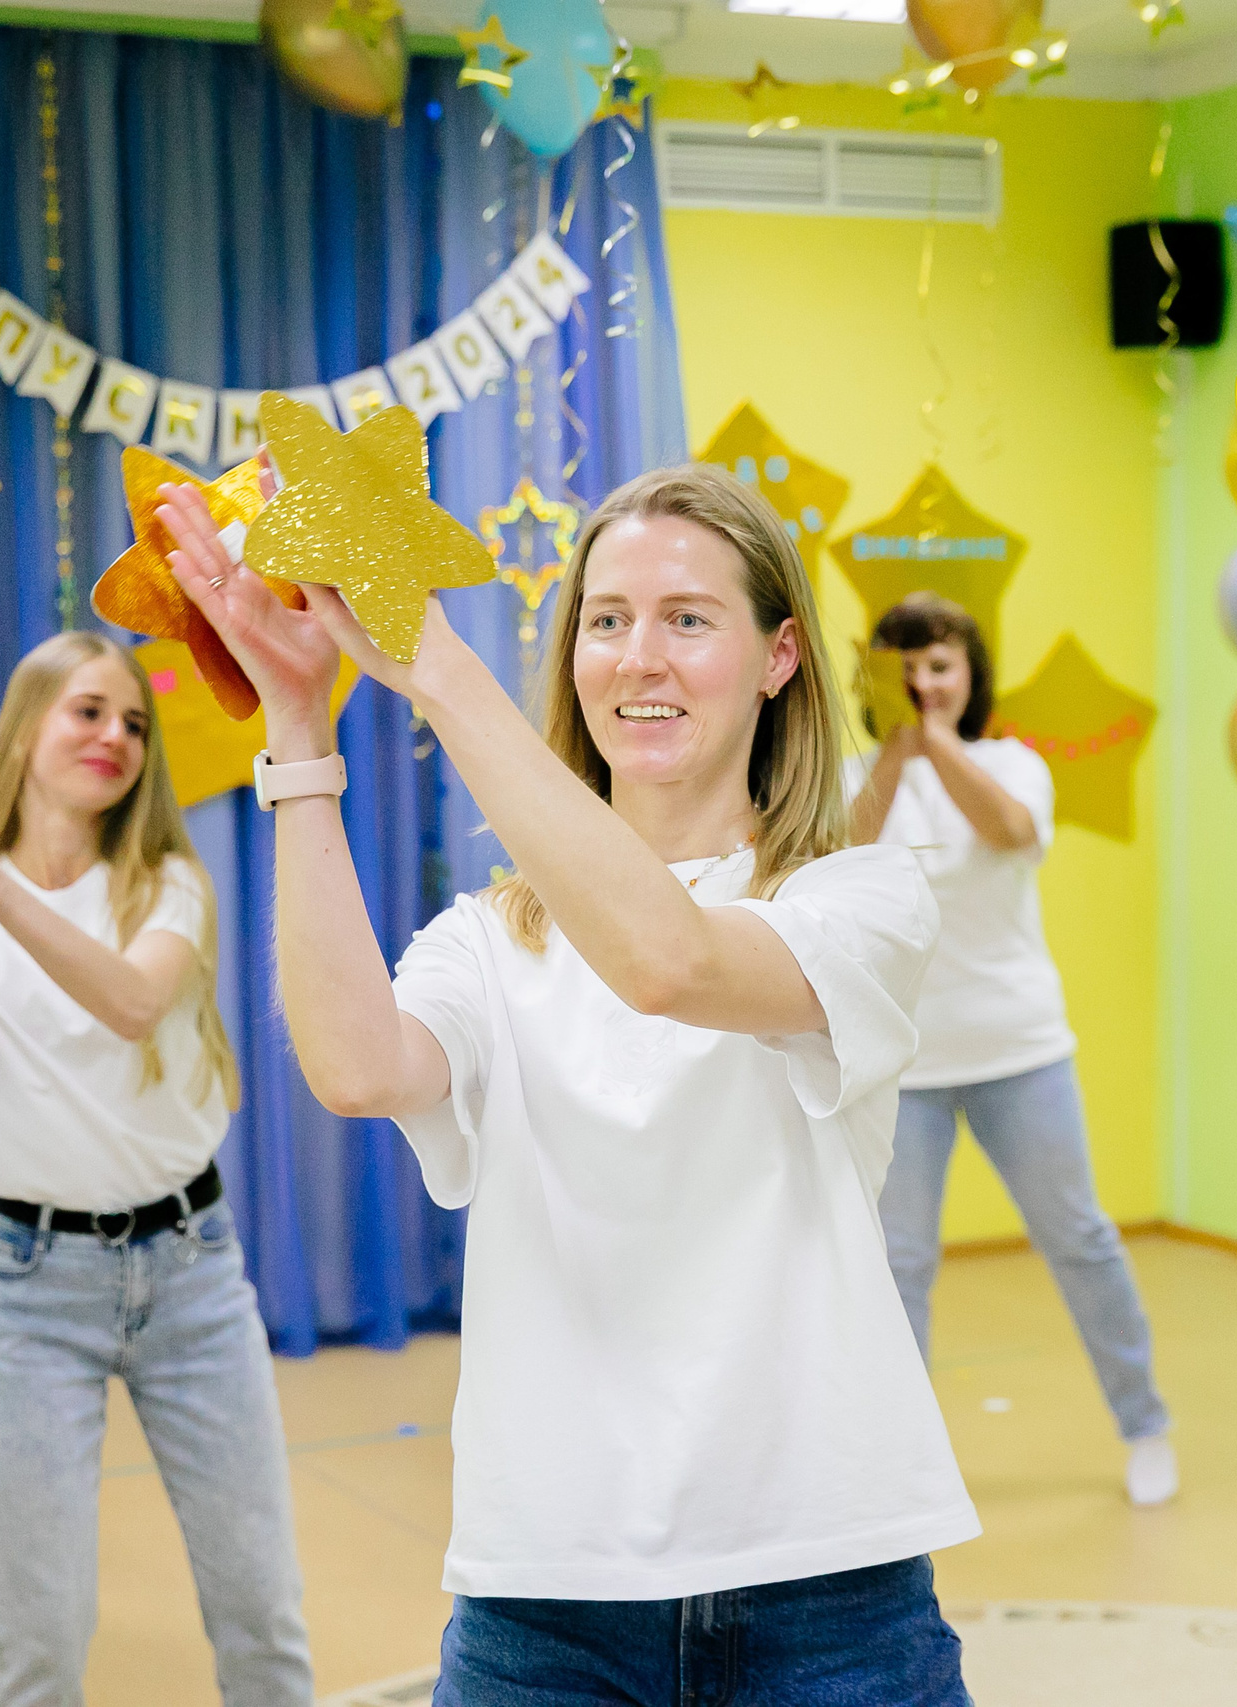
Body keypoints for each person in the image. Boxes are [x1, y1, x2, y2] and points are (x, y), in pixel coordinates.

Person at [157, 463, 979, 1704]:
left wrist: (432, 661)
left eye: (688, 620)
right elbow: (354, 1065)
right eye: (606, 621)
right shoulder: (493, 938)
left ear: (779, 657)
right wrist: (296, 726)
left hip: (827, 1589)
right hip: (545, 1603)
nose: (637, 658)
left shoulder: (858, 899)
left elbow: (667, 960)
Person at [0, 632, 312, 1707]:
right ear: (27, 728)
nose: (114, 736)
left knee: (259, 1610)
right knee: (39, 1635)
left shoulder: (166, 881)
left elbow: (128, 1002)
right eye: (88, 711)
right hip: (32, 1290)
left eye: (132, 721)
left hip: (191, 1276)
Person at [849, 593, 1176, 1506]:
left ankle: (1144, 1421)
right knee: (900, 1261)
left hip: (1017, 1045)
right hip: (903, 1063)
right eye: (903, 667)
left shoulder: (1013, 763)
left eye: (940, 664)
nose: (923, 683)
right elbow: (837, 860)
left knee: (1077, 1235)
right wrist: (896, 751)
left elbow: (1009, 831)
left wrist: (934, 741)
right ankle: (904, 1468)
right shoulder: (852, 771)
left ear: (970, 672)